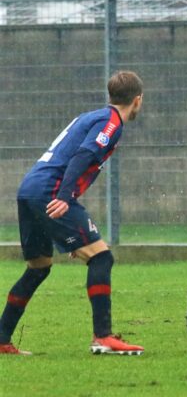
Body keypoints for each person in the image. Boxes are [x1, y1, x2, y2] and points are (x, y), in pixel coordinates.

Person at [0, 71, 145, 355]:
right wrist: (65, 198)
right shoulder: (111, 123)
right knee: (102, 257)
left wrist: (66, 232)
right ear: (137, 101)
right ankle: (103, 336)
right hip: (50, 192)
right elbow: (83, 155)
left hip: (30, 189)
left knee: (39, 267)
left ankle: (1, 337)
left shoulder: (91, 116)